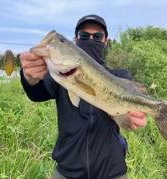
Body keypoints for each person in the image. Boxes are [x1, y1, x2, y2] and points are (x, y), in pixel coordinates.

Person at [19, 14, 147, 179]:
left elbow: (127, 113)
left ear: (105, 42)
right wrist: (29, 78)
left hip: (112, 170)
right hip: (68, 170)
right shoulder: (59, 76)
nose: (90, 39)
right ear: (76, 39)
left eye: (98, 36)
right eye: (84, 35)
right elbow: (38, 94)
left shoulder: (120, 75)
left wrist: (126, 114)